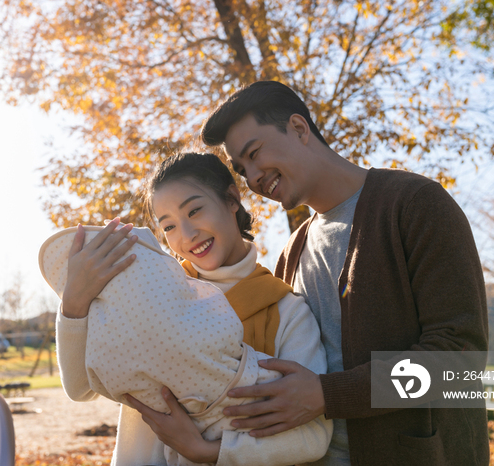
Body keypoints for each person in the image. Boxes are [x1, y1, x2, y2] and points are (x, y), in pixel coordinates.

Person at [199, 81, 490, 465]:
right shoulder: (291, 255)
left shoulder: (415, 205)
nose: (252, 177)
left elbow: (461, 360)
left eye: (254, 153)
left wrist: (327, 395)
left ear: (299, 129)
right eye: (242, 169)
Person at [54, 152, 333, 465]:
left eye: (195, 210)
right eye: (169, 227)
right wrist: (74, 302)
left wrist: (206, 451)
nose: (186, 236)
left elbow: (313, 437)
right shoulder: (145, 293)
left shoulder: (286, 311)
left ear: (231, 199)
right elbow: (81, 388)